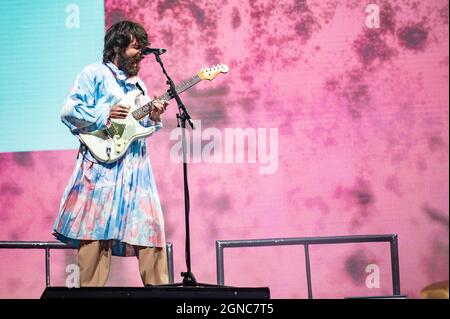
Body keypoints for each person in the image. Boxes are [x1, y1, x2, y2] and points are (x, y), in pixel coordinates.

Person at [52, 20, 169, 287]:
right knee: (94, 240)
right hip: (102, 173)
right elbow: (69, 111)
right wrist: (104, 113)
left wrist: (152, 116)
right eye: (135, 48)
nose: (140, 54)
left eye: (142, 48)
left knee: (150, 235)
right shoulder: (93, 74)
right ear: (117, 48)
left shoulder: (139, 87)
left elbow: (139, 129)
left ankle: (165, 297)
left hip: (137, 175)